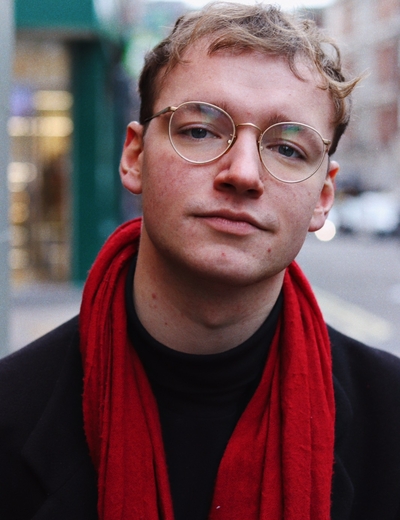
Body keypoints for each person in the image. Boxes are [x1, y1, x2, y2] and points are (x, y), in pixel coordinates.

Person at [1, 3, 400, 519]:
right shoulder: (12, 413)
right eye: (200, 131)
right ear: (134, 157)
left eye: (287, 148)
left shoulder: (390, 418)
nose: (243, 173)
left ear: (323, 196)